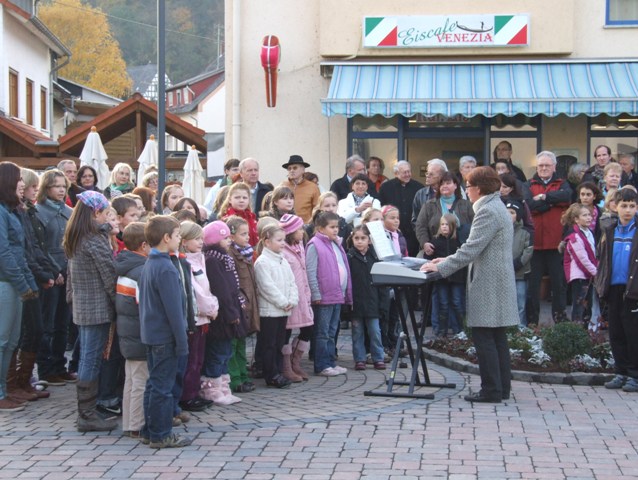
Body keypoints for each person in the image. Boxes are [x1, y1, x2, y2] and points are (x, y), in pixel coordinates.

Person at [422, 166, 518, 403]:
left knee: (485, 336)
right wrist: (445, 259)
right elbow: (477, 248)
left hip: (489, 281)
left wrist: (441, 267)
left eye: (468, 186)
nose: (467, 191)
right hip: (497, 279)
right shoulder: (496, 207)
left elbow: (471, 248)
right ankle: (501, 388)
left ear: (479, 188)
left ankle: (491, 390)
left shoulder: (488, 210)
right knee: (497, 337)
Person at [63, 190, 117, 431]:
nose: (108, 218)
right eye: (106, 213)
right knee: (90, 359)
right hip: (96, 308)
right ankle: (86, 414)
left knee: (88, 355)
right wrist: (120, 306)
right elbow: (109, 276)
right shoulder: (94, 239)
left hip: (83, 306)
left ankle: (87, 411)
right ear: (96, 213)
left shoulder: (76, 235)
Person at [138, 215, 192, 448]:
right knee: (162, 387)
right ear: (166, 238)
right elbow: (174, 310)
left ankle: (149, 430)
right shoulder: (166, 268)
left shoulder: (150, 262)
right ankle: (161, 434)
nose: (180, 240)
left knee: (154, 384)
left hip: (152, 334)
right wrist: (182, 342)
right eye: (178, 236)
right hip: (164, 336)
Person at [7, 169, 55, 402]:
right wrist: (32, 277)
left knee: (33, 330)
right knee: (17, 335)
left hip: (28, 276)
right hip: (16, 280)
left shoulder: (22, 211)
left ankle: (22, 381)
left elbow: (33, 247)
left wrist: (46, 271)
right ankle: (12, 385)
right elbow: (11, 252)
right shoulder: (10, 213)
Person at [0, 162, 38, 412]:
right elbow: (4, 252)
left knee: (11, 341)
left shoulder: (11, 211)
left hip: (16, 283)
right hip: (6, 283)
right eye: (19, 185)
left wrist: (28, 284)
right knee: (3, 340)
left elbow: (19, 251)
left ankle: (5, 389)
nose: (22, 190)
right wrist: (23, 283)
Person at [595, 188, 638, 393]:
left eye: (632, 206)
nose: (627, 210)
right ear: (615, 206)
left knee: (633, 333)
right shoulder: (609, 231)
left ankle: (634, 375)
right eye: (624, 206)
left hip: (633, 290)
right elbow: (602, 259)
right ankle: (620, 371)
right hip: (614, 287)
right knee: (616, 333)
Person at [35, 169, 74, 386]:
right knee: (47, 323)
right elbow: (41, 247)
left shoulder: (70, 212)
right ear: (46, 188)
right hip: (50, 275)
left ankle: (60, 366)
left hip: (68, 272)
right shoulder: (39, 212)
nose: (60, 190)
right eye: (56, 186)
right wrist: (54, 271)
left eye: (63, 186)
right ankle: (46, 368)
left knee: (63, 323)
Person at [200, 221, 245, 405]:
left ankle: (224, 387)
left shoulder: (224, 258)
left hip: (230, 310)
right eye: (225, 238)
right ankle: (211, 390)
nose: (229, 241)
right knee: (217, 353)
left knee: (225, 352)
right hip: (222, 315)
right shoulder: (213, 260)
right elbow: (221, 290)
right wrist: (231, 311)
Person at [525, 151, 572, 325]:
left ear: (554, 167)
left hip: (556, 244)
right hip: (535, 245)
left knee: (559, 286)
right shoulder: (528, 184)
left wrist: (544, 197)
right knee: (533, 287)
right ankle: (532, 323)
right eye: (540, 165)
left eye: (547, 165)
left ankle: (560, 322)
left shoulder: (563, 183)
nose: (543, 168)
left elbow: (567, 197)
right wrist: (552, 204)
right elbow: (528, 204)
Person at [177, 221, 218, 412]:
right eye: (196, 239)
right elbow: (196, 293)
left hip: (204, 318)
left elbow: (207, 288)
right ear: (184, 241)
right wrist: (210, 308)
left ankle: (193, 392)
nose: (201, 242)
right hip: (196, 317)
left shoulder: (199, 259)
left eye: (202, 238)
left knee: (199, 358)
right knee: (192, 360)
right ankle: (187, 395)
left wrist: (213, 306)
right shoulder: (185, 262)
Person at [306, 212, 352, 377]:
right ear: (320, 228)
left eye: (337, 227)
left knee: (332, 331)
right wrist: (316, 293)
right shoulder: (314, 245)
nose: (335, 230)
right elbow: (311, 271)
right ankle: (322, 364)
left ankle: (331, 361)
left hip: (336, 295)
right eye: (331, 227)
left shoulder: (336, 243)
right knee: (322, 332)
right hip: (324, 297)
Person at [115, 222, 151, 437]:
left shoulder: (127, 266)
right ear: (144, 245)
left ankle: (130, 422)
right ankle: (136, 424)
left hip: (129, 334)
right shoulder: (140, 271)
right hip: (138, 334)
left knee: (132, 380)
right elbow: (144, 305)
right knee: (139, 381)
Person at [254, 223, 299, 388]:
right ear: (267, 242)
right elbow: (266, 287)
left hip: (283, 311)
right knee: (269, 344)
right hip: (270, 312)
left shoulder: (283, 260)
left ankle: (278, 371)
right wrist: (283, 302)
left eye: (284, 240)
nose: (282, 243)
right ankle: (270, 374)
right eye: (279, 240)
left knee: (280, 343)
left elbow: (292, 282)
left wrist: (292, 300)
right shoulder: (262, 262)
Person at [225, 216, 259, 393]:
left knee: (242, 344)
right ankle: (235, 378)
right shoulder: (231, 254)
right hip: (237, 306)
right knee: (234, 345)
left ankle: (243, 375)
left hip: (248, 306)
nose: (247, 237)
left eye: (248, 233)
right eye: (243, 234)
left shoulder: (246, 254)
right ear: (231, 236)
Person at [279, 214, 314, 382]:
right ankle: (286, 366)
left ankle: (296, 361)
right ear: (291, 232)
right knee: (286, 331)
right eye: (299, 229)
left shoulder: (300, 246)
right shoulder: (283, 251)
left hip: (304, 297)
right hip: (290, 299)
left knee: (307, 329)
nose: (303, 231)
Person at [347, 225, 386, 371]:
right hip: (356, 302)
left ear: (369, 240)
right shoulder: (349, 257)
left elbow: (382, 283)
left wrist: (383, 303)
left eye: (363, 238)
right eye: (356, 238)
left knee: (375, 331)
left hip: (372, 301)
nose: (359, 241)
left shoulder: (375, 257)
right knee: (357, 332)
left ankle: (378, 357)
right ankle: (359, 359)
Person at [415, 171, 474, 257]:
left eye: (448, 183)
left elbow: (474, 225)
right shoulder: (429, 205)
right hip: (435, 251)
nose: (444, 186)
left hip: (461, 252)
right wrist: (425, 243)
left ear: (455, 185)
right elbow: (420, 226)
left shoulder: (467, 205)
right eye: (442, 184)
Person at [561, 204, 598, 326]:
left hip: (589, 275)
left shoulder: (589, 233)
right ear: (576, 219)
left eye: (590, 215)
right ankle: (576, 336)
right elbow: (582, 260)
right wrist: (596, 273)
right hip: (580, 276)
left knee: (588, 307)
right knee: (579, 307)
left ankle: (585, 334)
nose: (588, 218)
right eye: (584, 215)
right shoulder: (575, 237)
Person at [429, 214, 466, 337]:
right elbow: (430, 258)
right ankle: (441, 332)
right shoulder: (435, 241)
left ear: (453, 226)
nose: (444, 227)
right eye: (442, 224)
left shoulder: (458, 241)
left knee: (457, 303)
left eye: (447, 225)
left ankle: (460, 330)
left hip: (457, 277)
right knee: (443, 304)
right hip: (441, 278)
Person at [378, 160, 424, 256]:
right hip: (391, 231)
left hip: (412, 233)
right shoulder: (386, 187)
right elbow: (381, 209)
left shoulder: (419, 187)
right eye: (404, 172)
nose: (408, 174)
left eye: (409, 171)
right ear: (396, 173)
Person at [505, 200, 533, 327]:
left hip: (520, 273)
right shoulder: (500, 232)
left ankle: (521, 327)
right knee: (506, 303)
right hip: (504, 273)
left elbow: (528, 251)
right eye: (506, 212)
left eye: (512, 213)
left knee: (520, 302)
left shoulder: (525, 232)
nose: (508, 215)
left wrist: (517, 264)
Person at [279, 155, 320, 223]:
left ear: (303, 170)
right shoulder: (282, 186)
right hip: (285, 226)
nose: (291, 170)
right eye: (289, 168)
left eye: (295, 168)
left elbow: (317, 209)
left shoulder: (313, 187)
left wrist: (309, 225)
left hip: (306, 228)